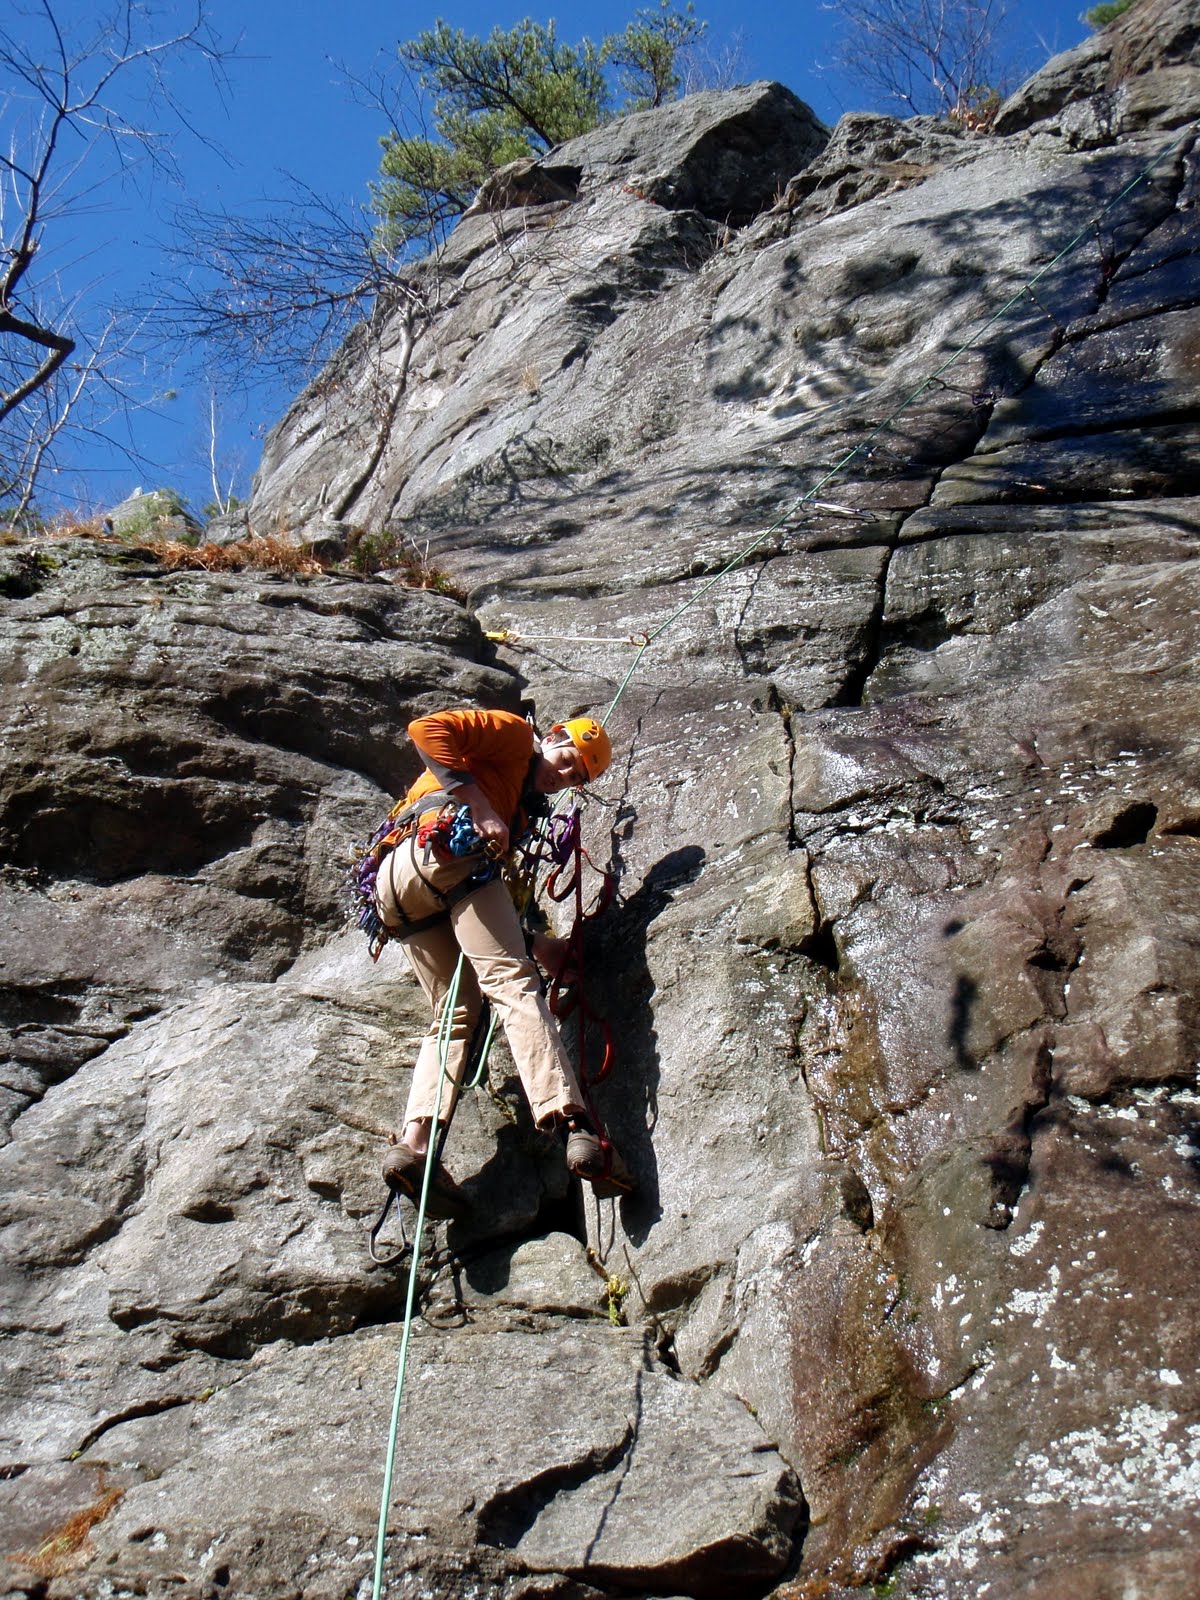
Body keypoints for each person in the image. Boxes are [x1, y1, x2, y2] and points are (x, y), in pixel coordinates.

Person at [373, 707, 634, 1215]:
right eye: (567, 757)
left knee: (454, 1015)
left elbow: (488, 920)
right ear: (552, 736)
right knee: (513, 984)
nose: (566, 773)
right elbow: (426, 729)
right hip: (446, 848)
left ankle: (414, 1146)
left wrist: (538, 942)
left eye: (577, 776)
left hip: (398, 885)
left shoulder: (517, 807)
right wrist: (479, 805)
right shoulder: (515, 736)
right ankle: (572, 1122)